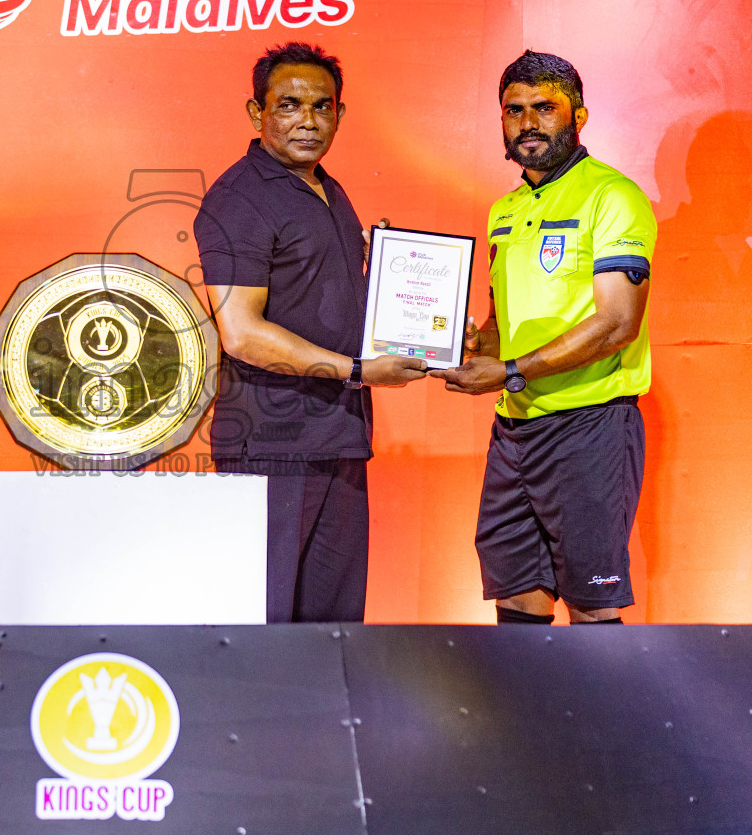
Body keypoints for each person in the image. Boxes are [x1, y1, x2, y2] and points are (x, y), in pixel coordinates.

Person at [193, 41, 427, 623]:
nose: (308, 121)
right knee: (266, 622)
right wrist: (357, 372)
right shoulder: (239, 200)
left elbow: (326, 301)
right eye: (289, 105)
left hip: (339, 438)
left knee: (333, 628)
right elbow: (241, 333)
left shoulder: (328, 190)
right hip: (274, 445)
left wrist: (412, 302)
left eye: (322, 106)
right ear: (256, 112)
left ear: (340, 114)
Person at [434, 50, 655, 625]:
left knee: (591, 605)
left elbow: (618, 322)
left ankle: (602, 694)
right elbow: (499, 327)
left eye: (544, 108)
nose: (528, 123)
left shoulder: (613, 196)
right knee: (516, 598)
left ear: (578, 116)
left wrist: (510, 371)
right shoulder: (503, 212)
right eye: (514, 111)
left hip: (590, 424)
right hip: (515, 430)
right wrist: (465, 344)